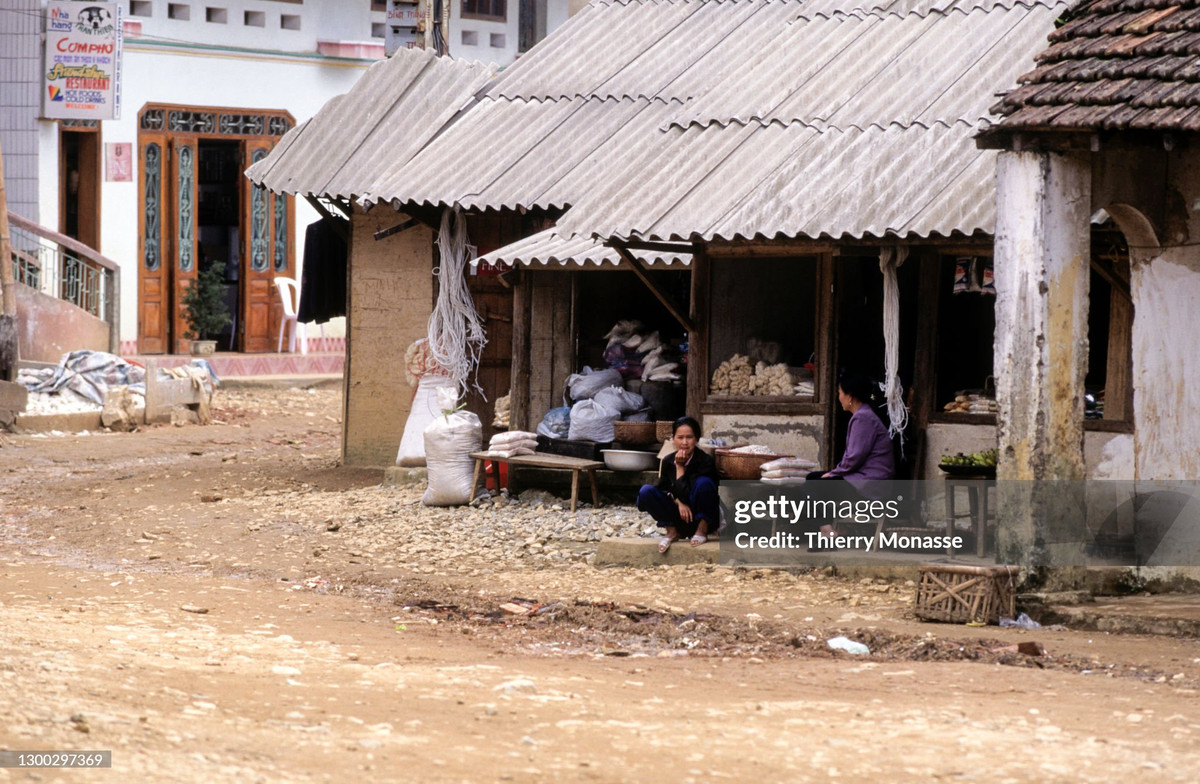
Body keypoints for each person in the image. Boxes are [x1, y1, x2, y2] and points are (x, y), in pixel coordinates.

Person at [808, 371, 895, 540]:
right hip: (863, 479)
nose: (838, 397)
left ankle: (827, 531)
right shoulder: (864, 415)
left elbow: (854, 458)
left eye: (840, 393)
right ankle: (835, 529)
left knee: (812, 486)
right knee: (813, 478)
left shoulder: (863, 418)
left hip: (870, 484)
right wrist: (833, 473)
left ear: (850, 397)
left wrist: (833, 473)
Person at [637, 416, 719, 552]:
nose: (684, 442)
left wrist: (680, 467)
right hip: (677, 516)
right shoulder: (668, 461)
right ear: (673, 439)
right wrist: (678, 502)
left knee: (704, 483)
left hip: (701, 515)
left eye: (689, 437)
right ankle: (671, 531)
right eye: (680, 437)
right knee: (646, 491)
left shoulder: (705, 461)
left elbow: (689, 493)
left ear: (697, 439)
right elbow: (662, 489)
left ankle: (702, 531)